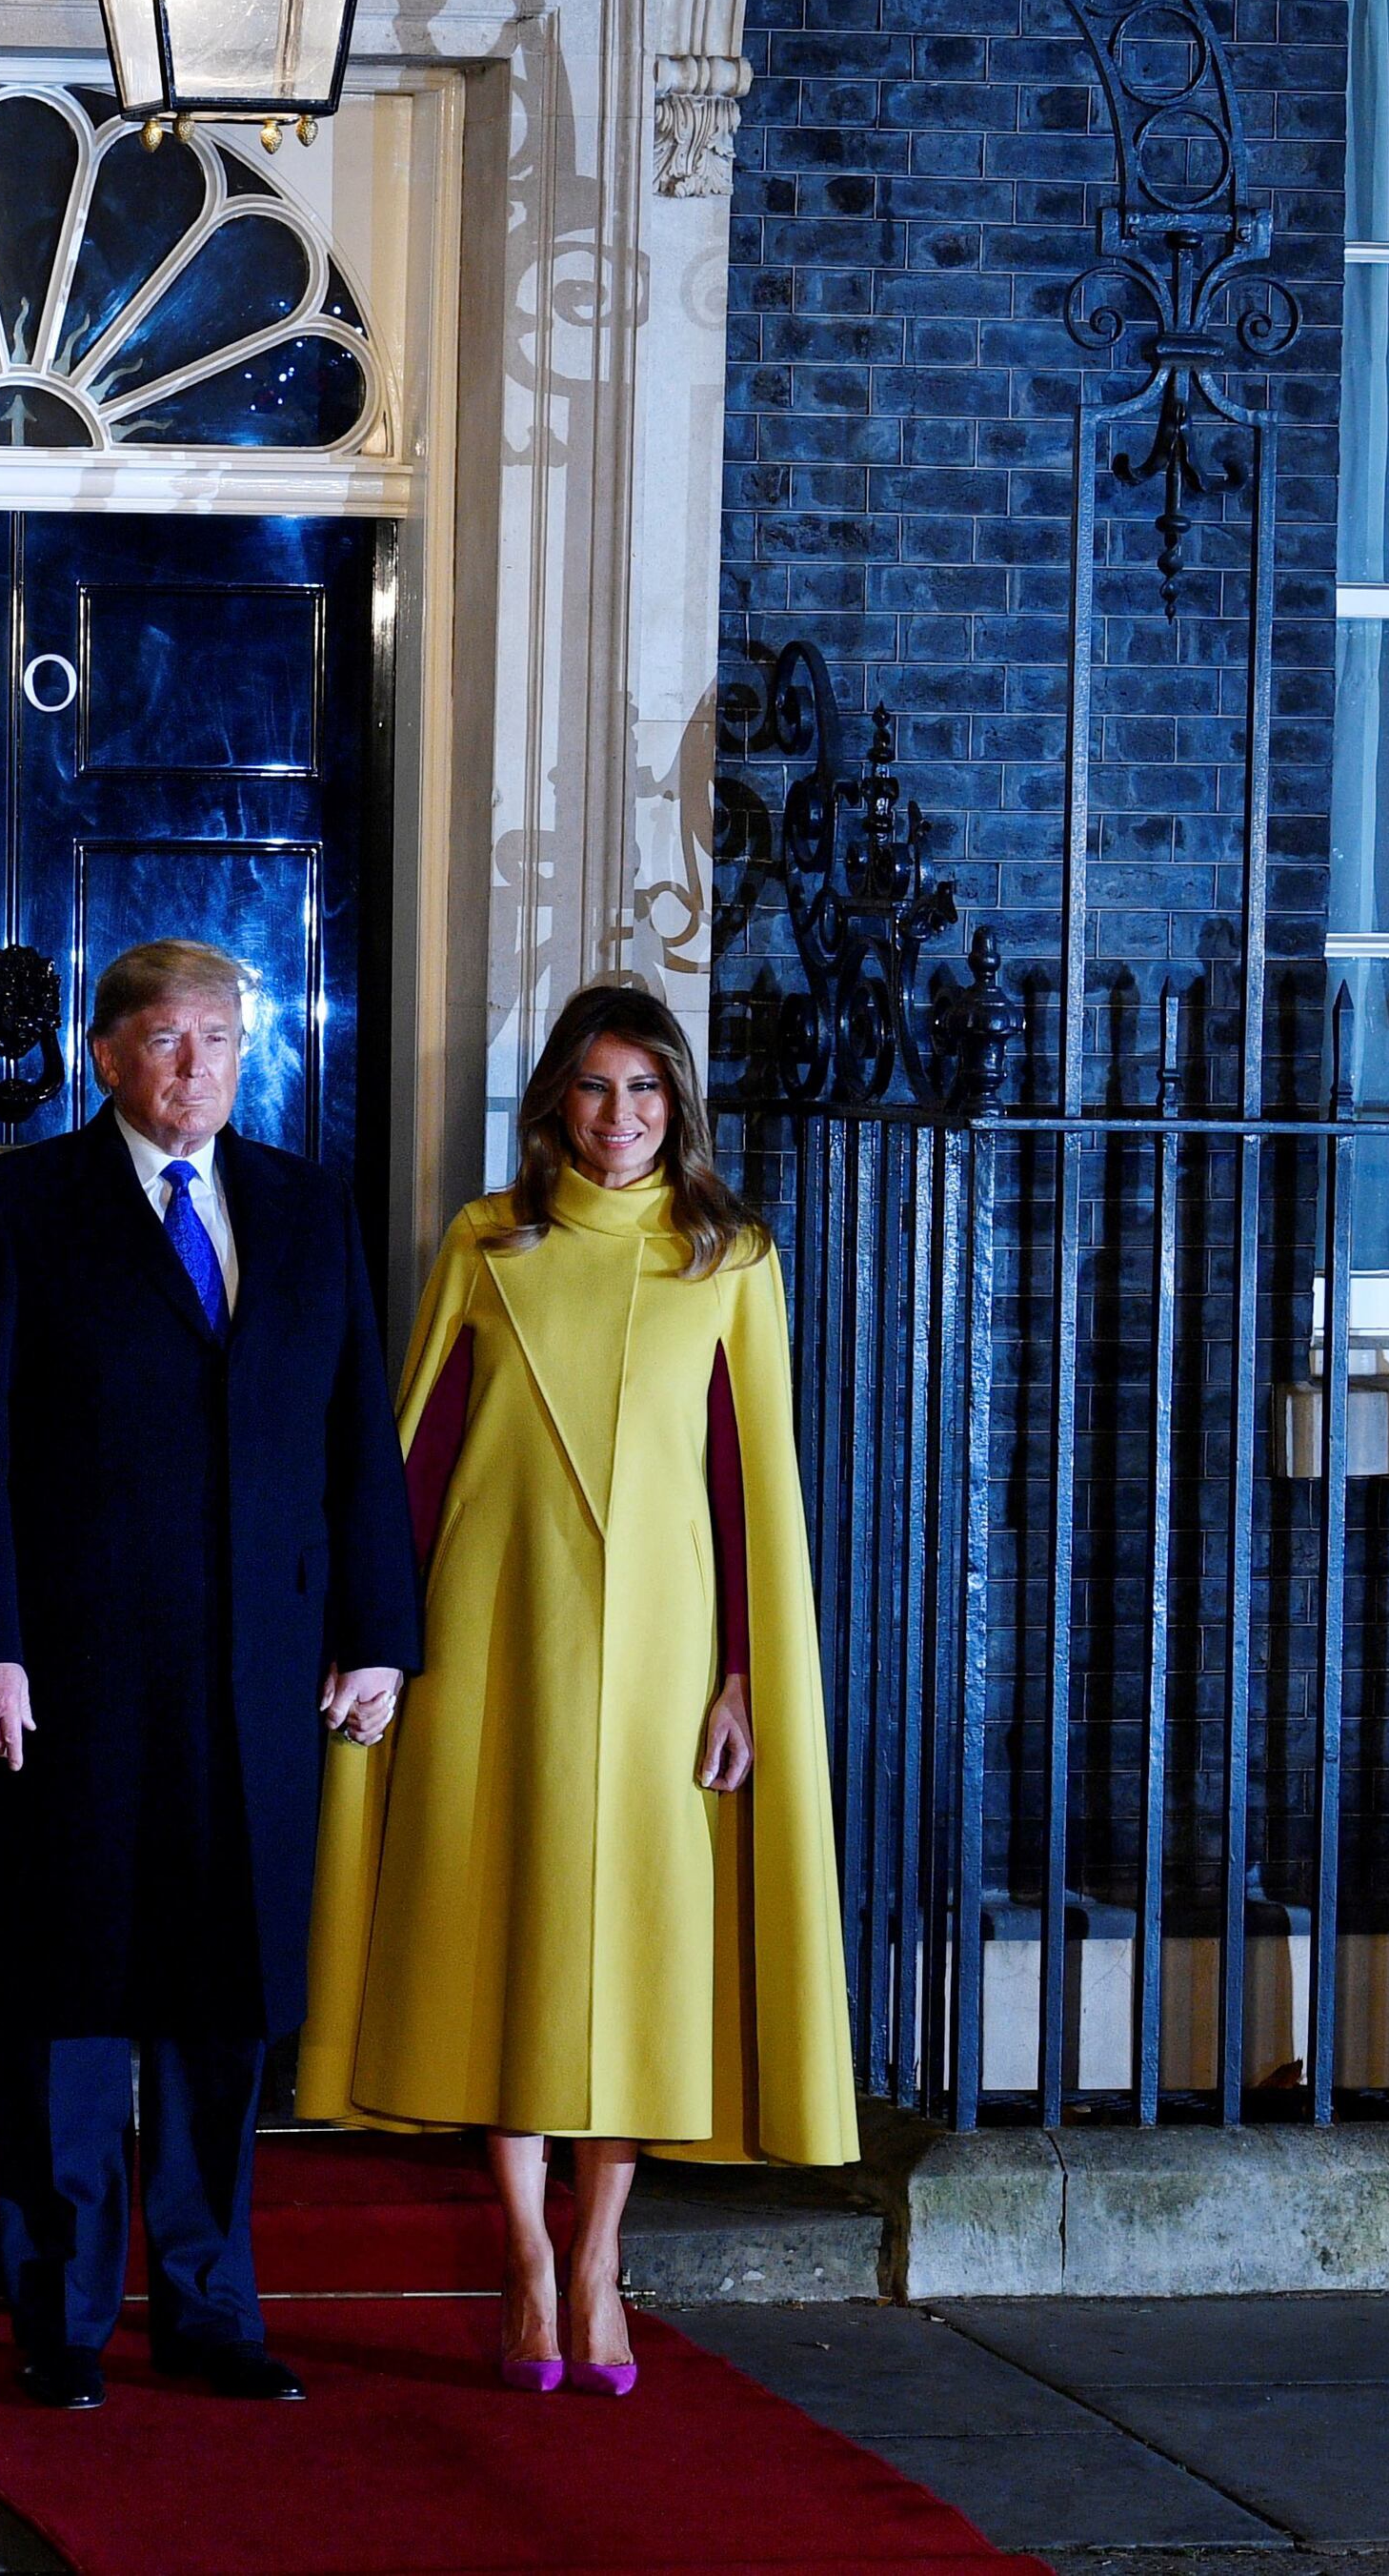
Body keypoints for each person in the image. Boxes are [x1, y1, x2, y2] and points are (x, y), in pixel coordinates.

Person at [295, 980, 856, 2394]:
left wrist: (745, 1678)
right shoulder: (490, 1241)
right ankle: (526, 2256)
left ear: (680, 1105)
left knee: (635, 1960)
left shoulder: (729, 1258)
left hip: (666, 1659)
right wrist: (382, 1641)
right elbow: (415, 1462)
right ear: (557, 1100)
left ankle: (600, 2252)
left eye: (647, 1092)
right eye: (598, 1090)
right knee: (516, 1936)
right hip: (499, 1637)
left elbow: (751, 1494)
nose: (622, 1118)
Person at [0, 938, 424, 2411]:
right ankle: (62, 2316)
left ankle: (208, 2307)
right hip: (75, 1678)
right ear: (106, 1056)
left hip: (258, 1678)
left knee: (223, 1998)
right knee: (72, 1994)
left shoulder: (304, 1207)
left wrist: (380, 1633)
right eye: (163, 1039)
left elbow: (356, 1439)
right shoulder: (22, 1210)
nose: (194, 1065)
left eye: (217, 1038)